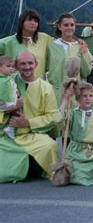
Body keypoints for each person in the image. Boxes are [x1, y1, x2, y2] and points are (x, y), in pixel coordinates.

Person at [1, 51, 59, 182]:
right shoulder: (7, 82)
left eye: (30, 63)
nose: (27, 67)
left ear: (36, 64)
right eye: (22, 63)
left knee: (49, 146)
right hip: (6, 134)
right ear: (15, 65)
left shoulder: (46, 88)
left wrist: (27, 123)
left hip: (31, 135)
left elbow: (52, 116)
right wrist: (9, 108)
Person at [47, 13, 92, 105]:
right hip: (56, 93)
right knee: (57, 118)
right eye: (66, 25)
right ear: (59, 27)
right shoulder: (51, 45)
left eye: (72, 25)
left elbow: (86, 72)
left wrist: (83, 55)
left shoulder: (81, 46)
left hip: (75, 94)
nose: (69, 27)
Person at [0, 9, 52, 79]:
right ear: (22, 22)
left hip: (37, 84)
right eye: (29, 20)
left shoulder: (45, 39)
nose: (33, 23)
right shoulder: (7, 42)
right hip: (14, 85)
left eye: (36, 21)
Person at [0, 56, 19, 139]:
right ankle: (10, 129)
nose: (11, 69)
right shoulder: (2, 80)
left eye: (12, 66)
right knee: (17, 111)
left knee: (15, 114)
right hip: (4, 102)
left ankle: (10, 128)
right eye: (8, 66)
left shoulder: (8, 78)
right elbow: (3, 94)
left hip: (9, 102)